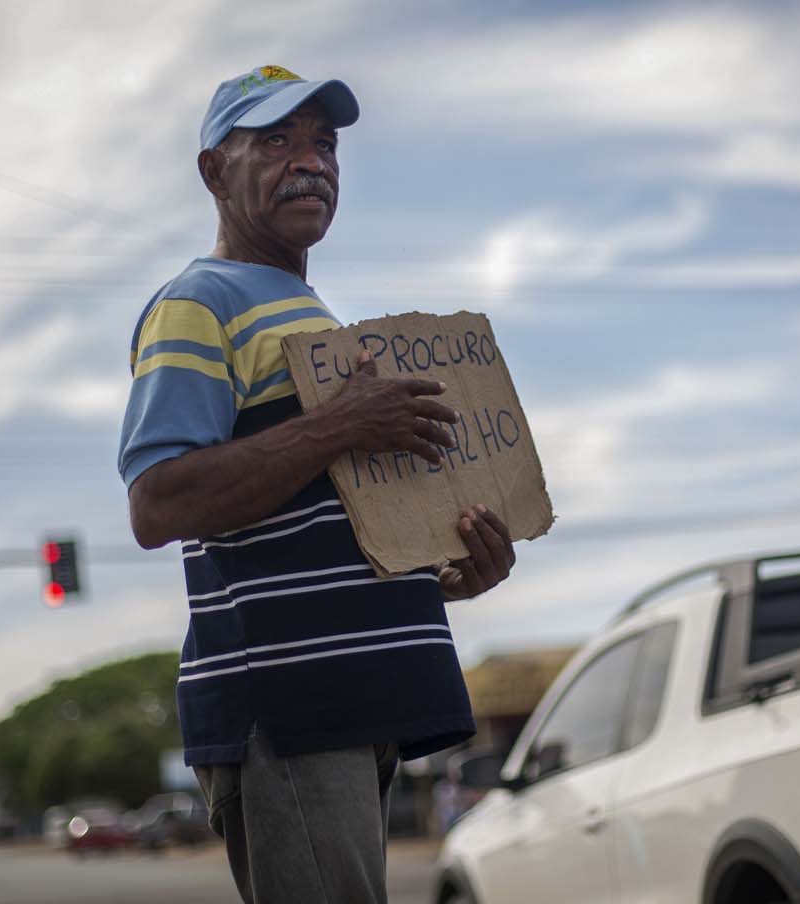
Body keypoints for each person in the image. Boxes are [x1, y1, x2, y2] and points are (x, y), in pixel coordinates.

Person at [118, 65, 517, 903]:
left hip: (352, 703)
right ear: (213, 172)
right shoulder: (200, 302)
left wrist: (446, 574)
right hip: (290, 709)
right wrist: (341, 424)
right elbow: (160, 503)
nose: (312, 162)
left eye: (324, 143)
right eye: (276, 141)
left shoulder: (309, 315)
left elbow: (320, 532)